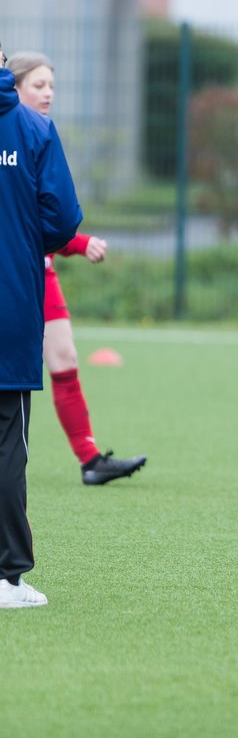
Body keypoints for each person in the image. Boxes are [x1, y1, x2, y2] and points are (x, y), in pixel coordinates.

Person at [8, 52, 147, 486]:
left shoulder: (40, 134)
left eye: (52, 85)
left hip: (39, 271)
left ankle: (89, 459)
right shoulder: (15, 133)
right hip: (17, 277)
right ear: (14, 87)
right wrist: (79, 242)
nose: (48, 93)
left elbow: (47, 218)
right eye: (39, 85)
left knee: (65, 356)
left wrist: (73, 243)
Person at [0, 40, 83, 608]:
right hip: (9, 307)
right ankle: (6, 578)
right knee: (7, 442)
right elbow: (61, 219)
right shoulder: (32, 130)